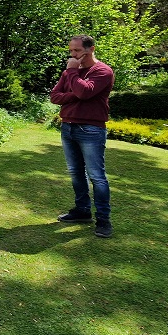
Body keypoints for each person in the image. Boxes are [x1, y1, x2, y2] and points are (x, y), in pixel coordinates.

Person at [50, 35, 115, 238]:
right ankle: (82, 211)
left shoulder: (103, 71)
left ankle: (104, 220)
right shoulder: (70, 72)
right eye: (71, 51)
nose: (73, 55)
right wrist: (74, 91)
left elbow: (85, 92)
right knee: (76, 173)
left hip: (91, 129)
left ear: (91, 49)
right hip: (68, 127)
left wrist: (72, 73)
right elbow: (54, 96)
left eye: (77, 51)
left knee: (97, 176)